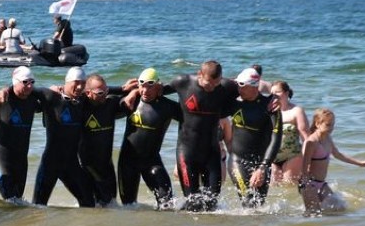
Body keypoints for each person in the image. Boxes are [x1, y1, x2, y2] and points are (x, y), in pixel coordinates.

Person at [163, 60, 240, 212]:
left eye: (216, 83)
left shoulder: (227, 86)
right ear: (199, 74)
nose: (212, 87)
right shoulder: (183, 82)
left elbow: (253, 89)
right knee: (193, 202)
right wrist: (131, 92)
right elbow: (155, 91)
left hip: (211, 151)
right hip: (187, 152)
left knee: (212, 201)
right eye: (208, 83)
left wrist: (273, 97)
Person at [118, 68, 182, 209]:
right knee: (128, 208)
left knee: (167, 205)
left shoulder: (168, 107)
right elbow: (102, 106)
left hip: (152, 162)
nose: (145, 91)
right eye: (142, 86)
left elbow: (190, 124)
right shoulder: (131, 102)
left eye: (149, 86)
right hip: (127, 162)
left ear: (159, 86)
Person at [31, 67, 95, 207]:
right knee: (38, 207)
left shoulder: (82, 100)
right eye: (76, 82)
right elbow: (26, 87)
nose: (79, 87)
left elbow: (102, 89)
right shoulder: (51, 97)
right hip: (50, 163)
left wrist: (128, 89)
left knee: (89, 204)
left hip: (71, 164)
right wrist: (3, 90)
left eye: (83, 83)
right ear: (66, 82)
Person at [222, 68, 282, 208]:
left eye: (242, 85)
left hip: (261, 163)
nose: (238, 88)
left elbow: (276, 139)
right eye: (237, 84)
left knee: (258, 206)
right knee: (248, 203)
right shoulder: (234, 101)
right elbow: (216, 83)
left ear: (254, 86)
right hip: (237, 161)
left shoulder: (270, 106)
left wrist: (263, 167)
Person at [299, 108, 365, 214]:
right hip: (309, 184)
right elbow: (304, 167)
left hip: (321, 183)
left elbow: (338, 154)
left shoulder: (328, 138)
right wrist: (307, 186)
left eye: (333, 125)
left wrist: (359, 163)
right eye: (328, 125)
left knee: (340, 208)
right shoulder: (311, 142)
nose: (331, 128)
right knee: (313, 214)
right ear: (318, 123)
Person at [0, 66, 44, 200]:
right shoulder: (0, 98)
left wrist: (57, 90)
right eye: (25, 82)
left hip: (21, 162)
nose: (29, 86)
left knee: (17, 202)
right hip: (1, 160)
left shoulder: (32, 100)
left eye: (32, 82)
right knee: (11, 199)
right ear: (15, 81)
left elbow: (51, 101)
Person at [78, 73, 129, 206]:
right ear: (88, 93)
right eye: (100, 93)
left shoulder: (111, 104)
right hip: (88, 164)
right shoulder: (80, 106)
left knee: (111, 201)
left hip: (107, 163)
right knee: (103, 200)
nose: (105, 95)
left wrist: (130, 92)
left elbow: (131, 95)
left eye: (106, 91)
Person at [269, 80, 311, 184]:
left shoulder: (296, 111)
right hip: (272, 157)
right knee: (274, 190)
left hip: (292, 156)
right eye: (272, 93)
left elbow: (306, 137)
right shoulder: (268, 111)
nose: (274, 95)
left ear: (286, 93)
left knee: (289, 188)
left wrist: (309, 161)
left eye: (277, 92)